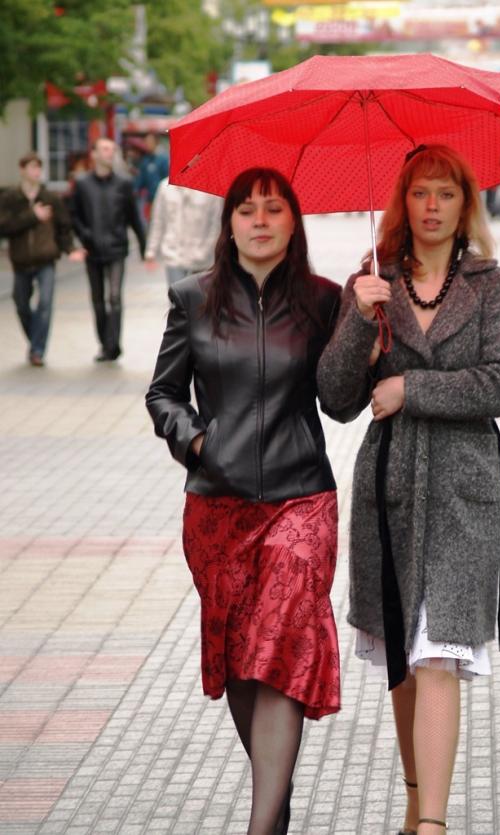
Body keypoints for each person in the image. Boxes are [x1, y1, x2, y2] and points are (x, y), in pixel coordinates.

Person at [317, 145, 500, 834]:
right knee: (404, 657)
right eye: (420, 193)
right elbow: (336, 398)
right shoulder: (372, 280)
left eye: (446, 193)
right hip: (392, 490)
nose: (432, 206)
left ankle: (431, 824)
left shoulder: (492, 286)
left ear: (466, 205)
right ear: (402, 203)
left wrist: (411, 387)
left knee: (438, 653)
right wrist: (358, 320)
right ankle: (415, 802)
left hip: (465, 492)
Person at [146, 167, 342, 835]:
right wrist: (197, 441)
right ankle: (275, 807)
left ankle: (260, 828)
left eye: (274, 208)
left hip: (301, 498)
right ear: (228, 224)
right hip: (218, 507)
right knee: (240, 658)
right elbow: (163, 394)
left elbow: (341, 403)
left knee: (280, 643)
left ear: (294, 222)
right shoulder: (192, 298)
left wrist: (365, 331)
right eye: (247, 209)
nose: (260, 220)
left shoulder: (324, 301)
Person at [0, 151, 83, 366]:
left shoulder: (50, 198)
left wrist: (70, 249)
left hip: (46, 259)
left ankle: (37, 350)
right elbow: (4, 227)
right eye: (32, 167)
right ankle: (36, 340)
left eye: (39, 167)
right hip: (21, 261)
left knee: (45, 303)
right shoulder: (11, 198)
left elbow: (63, 227)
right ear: (22, 170)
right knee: (21, 304)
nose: (37, 172)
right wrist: (32, 216)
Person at [72, 137, 146, 362]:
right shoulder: (82, 184)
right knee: (97, 300)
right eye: (104, 149)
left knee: (114, 297)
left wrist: (145, 247)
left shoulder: (124, 183)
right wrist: (84, 235)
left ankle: (113, 345)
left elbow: (133, 217)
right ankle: (105, 343)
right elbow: (74, 215)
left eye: (112, 149)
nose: (109, 153)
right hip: (92, 249)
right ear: (93, 154)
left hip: (117, 248)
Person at [145, 178, 224, 286]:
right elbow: (158, 220)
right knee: (177, 293)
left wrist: (209, 249)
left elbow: (216, 224)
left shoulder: (210, 188)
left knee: (200, 295)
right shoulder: (165, 187)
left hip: (202, 256)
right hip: (173, 254)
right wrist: (151, 251)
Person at [134, 132, 169, 222]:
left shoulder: (163, 159)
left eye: (149, 142)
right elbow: (141, 179)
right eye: (146, 142)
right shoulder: (145, 160)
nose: (147, 144)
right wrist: (135, 190)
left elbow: (166, 178)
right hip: (150, 198)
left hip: (161, 198)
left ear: (156, 142)